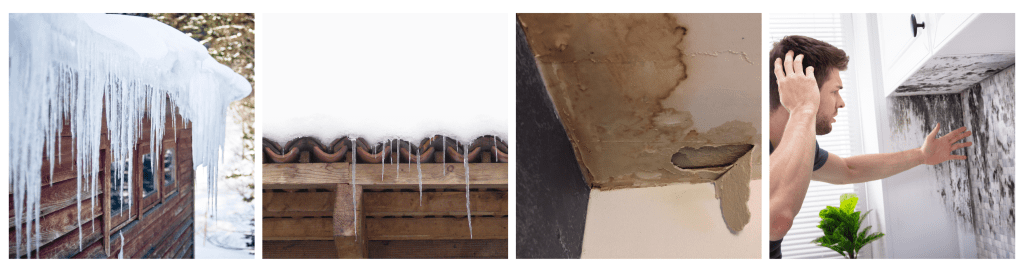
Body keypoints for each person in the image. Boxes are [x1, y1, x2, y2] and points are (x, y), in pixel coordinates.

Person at [768, 35, 973, 259]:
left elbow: (849, 170)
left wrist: (922, 155)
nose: (841, 102)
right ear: (805, 89)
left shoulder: (799, 145)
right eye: (835, 91)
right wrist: (804, 108)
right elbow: (777, 220)